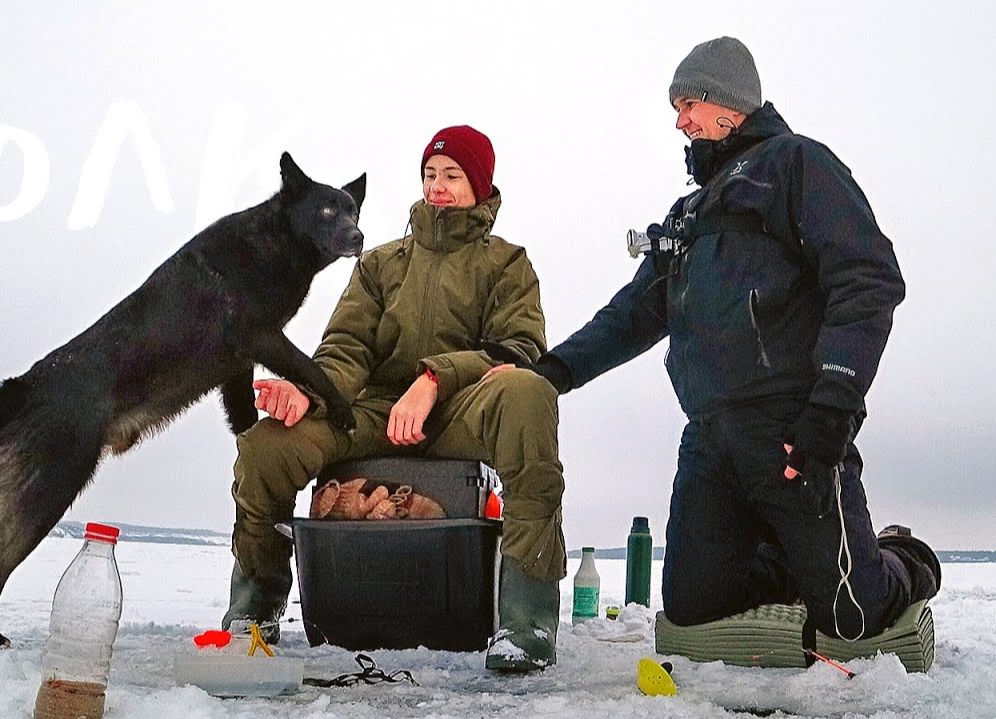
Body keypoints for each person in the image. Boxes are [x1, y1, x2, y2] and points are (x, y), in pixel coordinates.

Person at [491, 37, 940, 640]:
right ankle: (797, 559)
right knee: (693, 604)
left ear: (731, 104)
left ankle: (904, 559)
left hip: (790, 425)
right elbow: (630, 317)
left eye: (690, 102)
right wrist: (548, 373)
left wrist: (834, 404)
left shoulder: (797, 164)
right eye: (677, 107)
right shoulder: (688, 215)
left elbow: (868, 280)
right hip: (709, 436)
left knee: (851, 618)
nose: (680, 121)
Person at [223, 125, 567, 671]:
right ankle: (255, 608)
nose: (437, 186)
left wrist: (434, 380)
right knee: (266, 447)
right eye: (430, 174)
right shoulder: (380, 264)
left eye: (452, 176)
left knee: (528, 392)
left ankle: (525, 625)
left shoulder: (507, 263)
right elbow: (346, 348)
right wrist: (306, 392)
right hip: (375, 413)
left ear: (480, 185)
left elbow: (517, 349)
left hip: (462, 408)